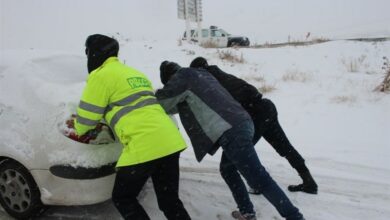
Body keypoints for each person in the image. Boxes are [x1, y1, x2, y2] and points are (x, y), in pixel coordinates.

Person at [156, 61, 304, 220]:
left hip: (231, 131)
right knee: (228, 169)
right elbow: (177, 105)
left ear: (169, 78)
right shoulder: (201, 75)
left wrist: (151, 97)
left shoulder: (182, 78)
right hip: (243, 122)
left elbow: (163, 103)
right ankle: (247, 211)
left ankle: (294, 216)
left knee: (259, 178)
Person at [72, 34, 191, 220]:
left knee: (123, 197)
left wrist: (77, 128)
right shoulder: (135, 73)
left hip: (144, 145)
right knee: (169, 201)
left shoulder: (100, 76)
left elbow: (86, 119)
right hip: (169, 141)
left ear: (93, 54)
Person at [190, 57, 318, 194]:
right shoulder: (220, 74)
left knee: (237, 156)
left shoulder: (210, 81)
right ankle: (308, 181)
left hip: (253, 114)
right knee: (284, 146)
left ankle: (258, 185)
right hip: (265, 106)